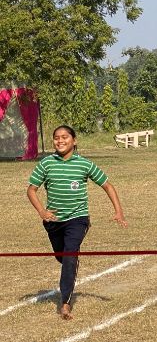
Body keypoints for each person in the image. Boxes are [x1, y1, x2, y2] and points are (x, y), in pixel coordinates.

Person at [26, 125, 127, 320]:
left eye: (65, 137)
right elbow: (31, 190)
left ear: (74, 140)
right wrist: (42, 211)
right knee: (63, 257)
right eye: (56, 137)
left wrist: (119, 211)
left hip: (78, 219)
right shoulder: (46, 163)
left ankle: (65, 303)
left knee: (69, 255)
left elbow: (107, 185)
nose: (60, 141)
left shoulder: (84, 164)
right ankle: (71, 263)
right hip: (53, 221)